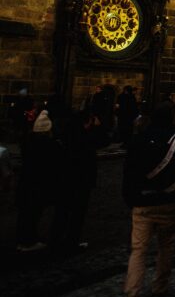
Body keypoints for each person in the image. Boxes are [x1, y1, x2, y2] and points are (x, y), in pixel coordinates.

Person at [122, 99, 175, 297]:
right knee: (166, 246)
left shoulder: (137, 140)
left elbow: (129, 172)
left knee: (138, 251)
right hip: (168, 201)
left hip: (142, 203)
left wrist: (131, 198)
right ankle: (160, 285)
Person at [52, 108, 107, 252]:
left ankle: (55, 239)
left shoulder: (67, 134)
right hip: (82, 180)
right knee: (77, 213)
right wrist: (98, 127)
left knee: (62, 210)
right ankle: (71, 242)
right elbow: (103, 141)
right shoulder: (85, 137)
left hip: (64, 179)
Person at [15, 111, 62, 252]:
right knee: (33, 213)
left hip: (26, 183)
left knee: (26, 213)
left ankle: (25, 238)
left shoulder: (28, 142)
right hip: (39, 185)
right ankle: (28, 241)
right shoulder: (49, 145)